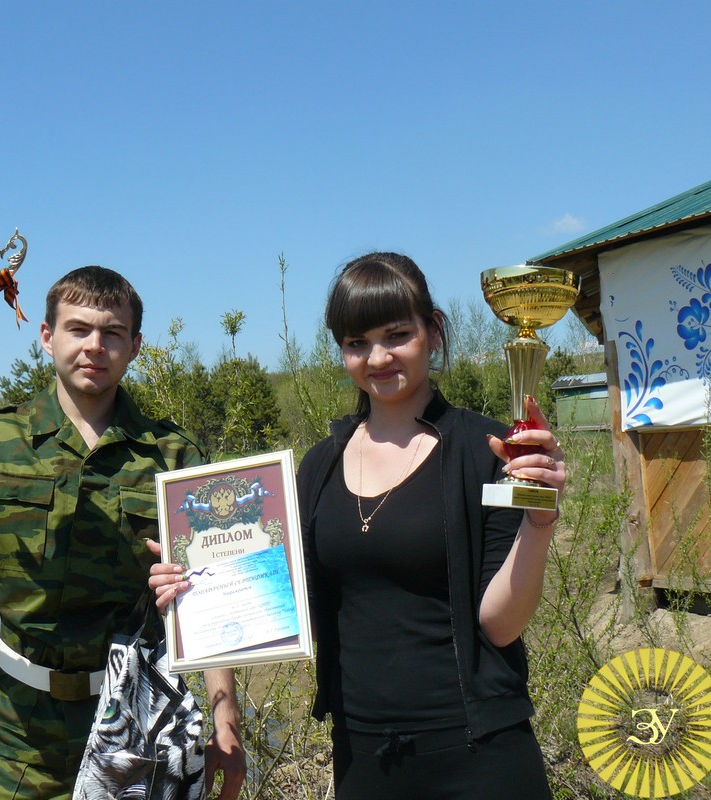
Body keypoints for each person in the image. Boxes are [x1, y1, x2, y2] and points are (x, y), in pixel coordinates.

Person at [152, 252, 563, 799]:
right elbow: (286, 606)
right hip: (362, 753)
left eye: (397, 334)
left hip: (479, 750)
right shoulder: (317, 467)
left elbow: (500, 626)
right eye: (355, 343)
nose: (378, 357)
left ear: (433, 331)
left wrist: (539, 522)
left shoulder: (486, 449)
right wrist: (193, 591)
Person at [0, 266, 246, 800]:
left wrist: (225, 716)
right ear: (47, 337)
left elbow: (209, 607)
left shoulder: (174, 458)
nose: (94, 346)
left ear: (134, 346)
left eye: (111, 333)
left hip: (136, 725)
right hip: (17, 730)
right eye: (78, 329)